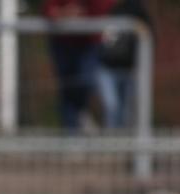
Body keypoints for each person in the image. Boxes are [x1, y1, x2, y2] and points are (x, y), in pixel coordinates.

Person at [42, 0, 114, 132]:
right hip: (63, 42)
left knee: (86, 81)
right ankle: (71, 137)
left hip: (89, 42)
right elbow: (49, 10)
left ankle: (81, 111)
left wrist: (82, 13)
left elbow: (103, 9)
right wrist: (63, 14)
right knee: (67, 90)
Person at [96, 0, 151, 129]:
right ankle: (111, 143)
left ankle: (126, 143)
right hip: (106, 66)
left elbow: (150, 35)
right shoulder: (105, 8)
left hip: (129, 68)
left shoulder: (138, 11)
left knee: (127, 111)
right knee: (112, 106)